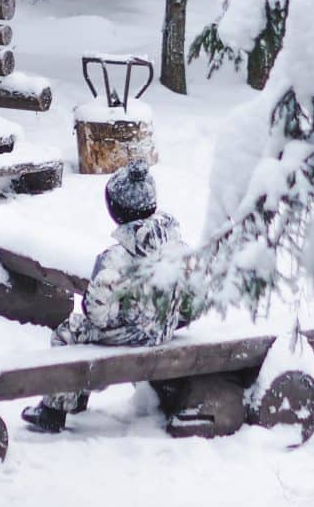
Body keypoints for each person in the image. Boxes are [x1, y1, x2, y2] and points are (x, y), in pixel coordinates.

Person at [20, 160, 203, 433]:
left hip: (129, 334)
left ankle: (55, 409)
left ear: (116, 210)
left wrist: (122, 318)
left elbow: (99, 314)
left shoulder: (115, 258)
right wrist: (171, 316)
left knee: (69, 332)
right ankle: (73, 396)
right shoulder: (177, 246)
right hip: (163, 329)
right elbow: (196, 299)